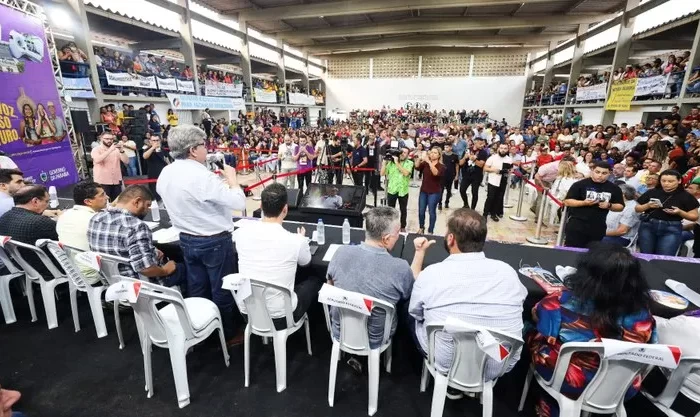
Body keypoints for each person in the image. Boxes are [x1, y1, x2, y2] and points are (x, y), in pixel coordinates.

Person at [527, 243, 656, 417]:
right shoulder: (641, 313)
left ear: (586, 274)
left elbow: (540, 321)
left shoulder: (560, 301)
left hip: (569, 380)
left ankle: (545, 405)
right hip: (620, 385)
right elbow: (652, 343)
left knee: (529, 329)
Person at [409, 209, 527, 389]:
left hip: (444, 361)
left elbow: (415, 312)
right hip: (497, 365)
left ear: (450, 239)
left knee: (412, 315)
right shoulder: (508, 273)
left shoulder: (433, 274)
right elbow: (521, 301)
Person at [156, 125, 246, 343]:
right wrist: (233, 181)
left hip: (186, 238)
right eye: (204, 145)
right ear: (193, 150)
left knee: (197, 286)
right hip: (214, 241)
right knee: (222, 289)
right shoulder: (201, 176)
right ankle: (228, 333)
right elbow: (239, 202)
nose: (207, 150)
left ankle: (200, 328)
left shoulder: (166, 172)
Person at [327, 207, 422, 348]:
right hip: (376, 339)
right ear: (386, 239)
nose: (399, 236)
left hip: (339, 331)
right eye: (398, 233)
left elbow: (330, 285)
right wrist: (420, 252)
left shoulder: (340, 252)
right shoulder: (400, 268)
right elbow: (409, 293)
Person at [235, 183, 322, 329]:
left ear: (261, 206)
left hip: (246, 311)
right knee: (314, 281)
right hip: (281, 316)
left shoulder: (241, 234)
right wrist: (301, 239)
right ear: (285, 209)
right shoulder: (295, 240)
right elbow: (306, 262)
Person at [88, 185, 185, 287]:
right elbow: (145, 268)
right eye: (148, 205)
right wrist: (165, 270)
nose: (148, 210)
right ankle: (186, 300)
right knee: (185, 267)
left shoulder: (95, 219)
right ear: (137, 201)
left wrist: (153, 251)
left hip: (112, 282)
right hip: (142, 284)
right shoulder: (136, 226)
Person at [0, 185, 62, 279]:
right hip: (51, 270)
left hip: (23, 268)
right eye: (46, 201)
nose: (48, 205)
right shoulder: (41, 223)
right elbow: (62, 245)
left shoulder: (4, 218)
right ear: (35, 201)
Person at [636, 170, 699, 255]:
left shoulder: (686, 196)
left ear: (679, 181)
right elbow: (637, 208)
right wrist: (648, 205)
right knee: (645, 255)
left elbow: (694, 216)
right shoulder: (653, 191)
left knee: (664, 257)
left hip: (671, 228)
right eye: (663, 181)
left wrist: (680, 212)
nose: (666, 183)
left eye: (670, 181)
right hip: (649, 225)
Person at [56, 181, 108, 285]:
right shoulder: (96, 221)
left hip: (73, 272)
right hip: (97, 274)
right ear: (88, 201)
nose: (107, 197)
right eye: (102, 195)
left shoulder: (64, 216)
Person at [563, 161, 624, 248]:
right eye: (597, 172)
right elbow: (567, 201)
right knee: (572, 250)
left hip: (598, 226)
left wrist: (609, 205)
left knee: (593, 254)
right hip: (577, 224)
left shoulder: (614, 188)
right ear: (592, 171)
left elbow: (620, 206)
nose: (600, 175)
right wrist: (584, 203)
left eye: (604, 173)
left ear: (609, 173)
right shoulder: (580, 184)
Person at [381, 147, 414, 232]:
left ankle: (402, 226)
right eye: (402, 152)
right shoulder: (391, 163)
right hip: (392, 189)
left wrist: (397, 163)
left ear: (407, 155)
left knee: (403, 209)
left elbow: (406, 173)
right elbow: (382, 173)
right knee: (390, 210)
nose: (403, 154)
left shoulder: (409, 163)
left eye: (405, 153)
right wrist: (384, 163)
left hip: (403, 190)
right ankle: (390, 226)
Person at [90, 132, 128, 202]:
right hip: (102, 181)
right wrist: (110, 150)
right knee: (104, 203)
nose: (109, 141)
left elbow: (126, 161)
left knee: (117, 203)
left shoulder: (116, 150)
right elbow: (97, 160)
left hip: (116, 180)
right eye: (107, 139)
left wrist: (122, 151)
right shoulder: (96, 149)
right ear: (101, 139)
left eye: (111, 139)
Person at [415, 147, 445, 234]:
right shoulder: (425, 163)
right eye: (431, 152)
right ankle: (421, 227)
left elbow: (435, 173)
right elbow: (417, 167)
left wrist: (429, 162)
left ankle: (430, 230)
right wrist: (419, 158)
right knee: (421, 211)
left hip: (434, 192)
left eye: (435, 153)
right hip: (424, 190)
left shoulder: (441, 166)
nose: (432, 154)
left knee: (431, 211)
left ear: (439, 155)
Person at [482, 143, 513, 222]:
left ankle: (494, 214)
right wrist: (493, 170)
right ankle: (485, 214)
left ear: (507, 149)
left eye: (505, 148)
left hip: (503, 181)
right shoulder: (492, 158)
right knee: (490, 198)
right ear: (499, 148)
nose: (503, 150)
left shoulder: (509, 159)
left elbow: (511, 169)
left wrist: (510, 170)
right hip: (493, 180)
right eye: (502, 148)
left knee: (499, 198)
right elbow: (485, 168)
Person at [458, 137, 488, 209]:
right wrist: (465, 158)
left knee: (474, 192)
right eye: (480, 144)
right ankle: (466, 204)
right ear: (475, 142)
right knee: (462, 190)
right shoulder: (467, 150)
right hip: (466, 174)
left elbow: (481, 164)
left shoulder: (483, 152)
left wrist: (473, 159)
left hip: (477, 175)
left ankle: (473, 208)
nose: (482, 145)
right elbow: (460, 163)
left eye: (483, 144)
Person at [142, 135, 170, 202]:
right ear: (150, 141)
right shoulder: (147, 149)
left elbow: (167, 160)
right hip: (153, 173)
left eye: (157, 140)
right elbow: (144, 156)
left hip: (164, 173)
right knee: (155, 192)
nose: (156, 142)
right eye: (154, 140)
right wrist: (152, 148)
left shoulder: (163, 149)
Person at [439, 143, 459, 211]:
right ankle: (440, 203)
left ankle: (447, 202)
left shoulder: (455, 156)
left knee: (449, 189)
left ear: (451, 147)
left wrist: (456, 175)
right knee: (441, 190)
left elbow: (457, 165)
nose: (445, 148)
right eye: (445, 147)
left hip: (451, 175)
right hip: (442, 175)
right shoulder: (442, 155)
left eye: (447, 147)